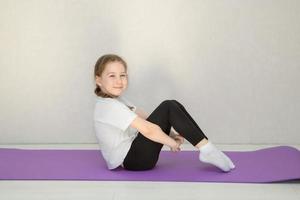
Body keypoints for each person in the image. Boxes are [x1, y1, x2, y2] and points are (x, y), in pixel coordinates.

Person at [93, 54, 235, 172]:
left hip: (136, 154)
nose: (119, 81)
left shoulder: (118, 100)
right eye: (112, 76)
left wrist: (173, 135)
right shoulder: (108, 107)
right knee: (168, 106)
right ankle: (208, 150)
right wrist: (171, 143)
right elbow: (148, 130)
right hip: (133, 160)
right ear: (98, 80)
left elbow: (147, 118)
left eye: (122, 75)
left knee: (173, 104)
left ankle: (207, 148)